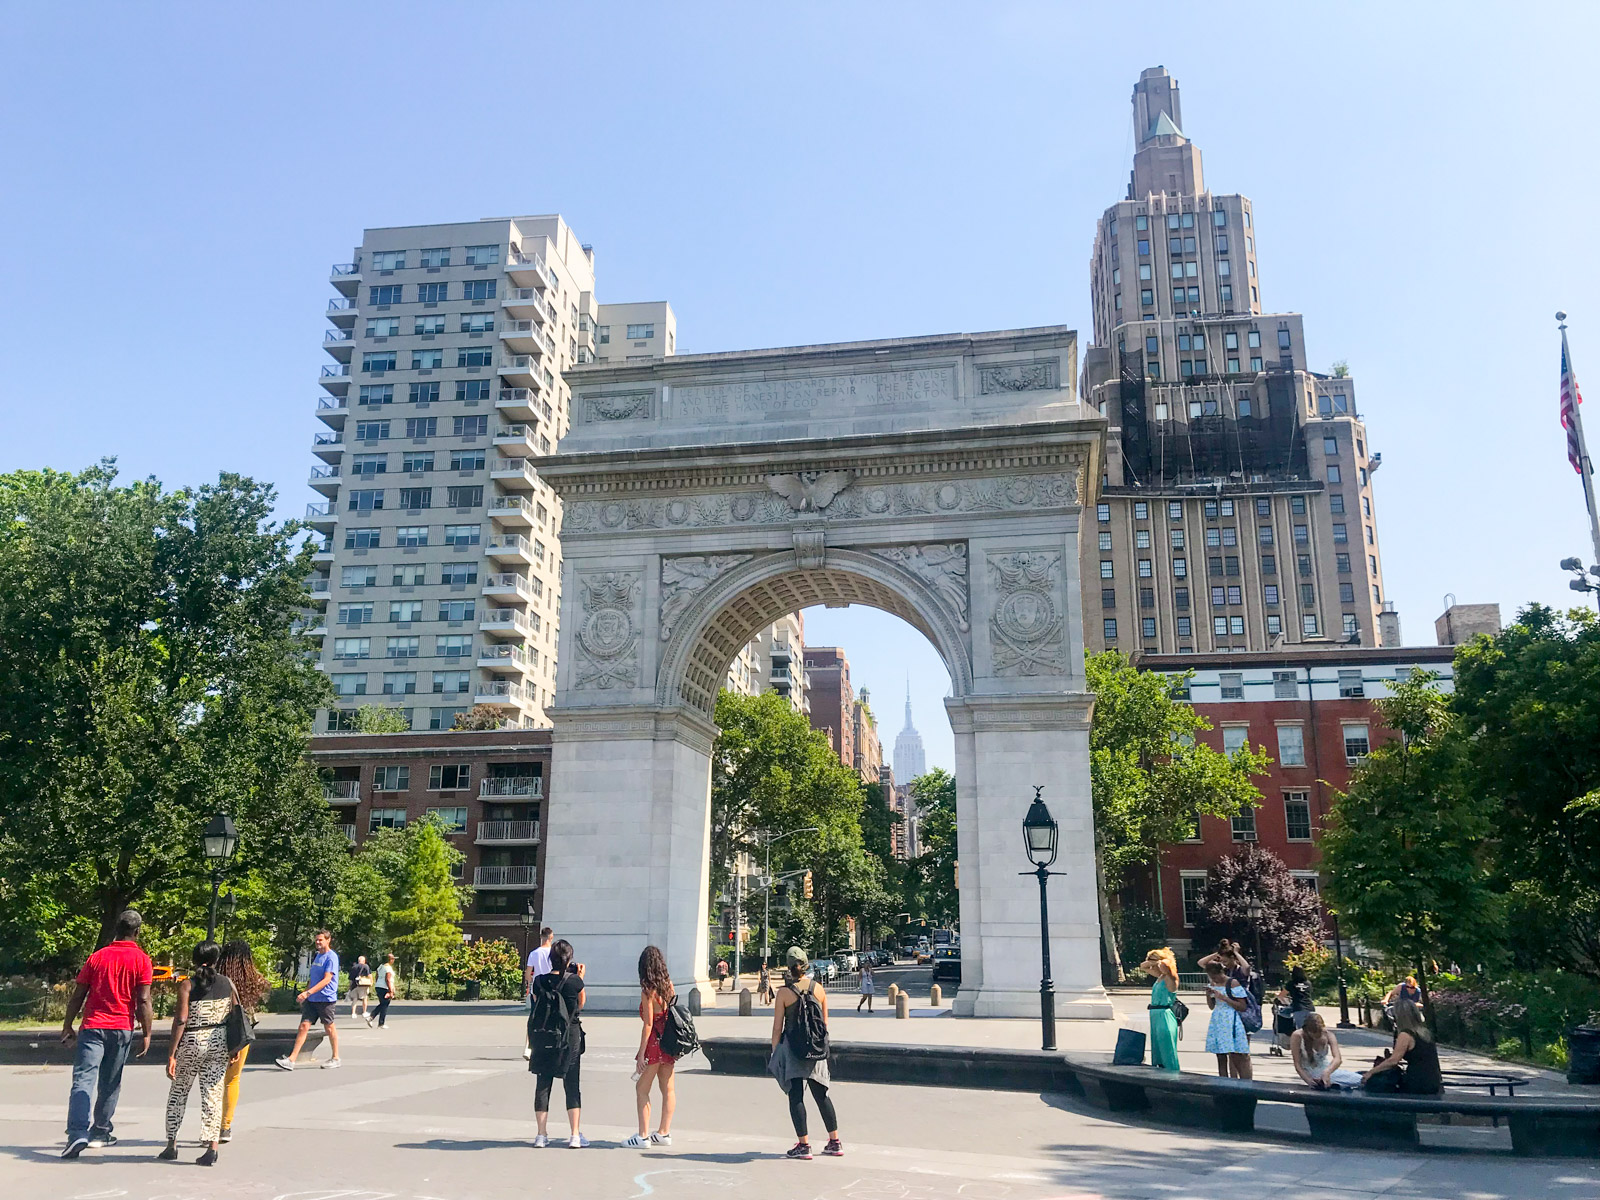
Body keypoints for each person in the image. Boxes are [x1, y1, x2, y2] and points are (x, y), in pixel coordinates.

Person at [60, 909, 154, 1158]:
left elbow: (78, 995)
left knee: (83, 1080)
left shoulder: (97, 957)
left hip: (93, 1026)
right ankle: (100, 1132)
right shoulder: (142, 960)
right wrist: (146, 1032)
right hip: (121, 1027)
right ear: (137, 931)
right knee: (110, 1082)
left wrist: (67, 1024)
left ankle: (77, 1133)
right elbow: (143, 1000)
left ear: (116, 928)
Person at [158, 941, 237, 1166]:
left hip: (192, 1040)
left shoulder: (187, 985)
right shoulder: (227, 983)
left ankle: (171, 1145)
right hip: (218, 1041)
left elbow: (181, 1019)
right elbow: (234, 1014)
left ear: (194, 960)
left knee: (179, 1091)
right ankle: (211, 1147)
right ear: (217, 959)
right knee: (213, 1093)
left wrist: (172, 1053)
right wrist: (234, 1046)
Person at [769, 947, 843, 1159]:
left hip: (793, 1049)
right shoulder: (818, 989)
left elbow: (777, 1027)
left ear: (789, 967)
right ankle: (834, 1141)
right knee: (821, 1095)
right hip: (817, 1049)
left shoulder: (784, 993)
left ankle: (804, 1145)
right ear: (806, 964)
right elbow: (825, 1023)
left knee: (796, 1096)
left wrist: (775, 1050)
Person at [528, 938, 586, 1148]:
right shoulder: (574, 982)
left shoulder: (540, 981)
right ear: (569, 959)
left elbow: (535, 1001)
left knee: (543, 1083)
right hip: (569, 1035)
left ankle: (541, 1135)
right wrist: (579, 977)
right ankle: (575, 1135)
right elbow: (581, 1003)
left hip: (545, 1036)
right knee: (572, 1084)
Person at [625, 945, 678, 1149]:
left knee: (641, 1089)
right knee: (668, 1089)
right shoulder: (669, 986)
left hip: (655, 1042)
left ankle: (643, 1135)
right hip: (669, 1042)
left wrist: (640, 1054)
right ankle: (664, 1132)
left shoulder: (648, 991)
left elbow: (648, 1024)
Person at [217, 940, 267, 1144]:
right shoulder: (253, 979)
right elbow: (264, 994)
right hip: (240, 1034)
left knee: (213, 1081)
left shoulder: (217, 979)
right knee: (232, 1079)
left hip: (214, 1032)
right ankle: (225, 1127)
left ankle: (209, 1124)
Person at [275, 930, 341, 1069]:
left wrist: (308, 992)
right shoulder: (317, 956)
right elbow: (313, 978)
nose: (317, 942)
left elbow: (327, 979)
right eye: (316, 940)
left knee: (329, 1027)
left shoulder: (331, 957)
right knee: (304, 1026)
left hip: (326, 998)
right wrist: (305, 992)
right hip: (312, 998)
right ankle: (291, 1060)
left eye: (320, 940)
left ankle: (335, 1057)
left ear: (328, 940)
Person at [1363, 996, 1441, 1095]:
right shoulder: (1424, 1032)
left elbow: (1394, 1060)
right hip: (1432, 1080)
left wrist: (1371, 1072)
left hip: (1417, 1081)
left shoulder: (1406, 1035)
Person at [1202, 959, 1252, 1079]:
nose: (1214, 979)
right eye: (1211, 977)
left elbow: (1242, 1006)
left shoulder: (1232, 983)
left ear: (1221, 972)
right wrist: (1209, 995)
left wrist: (1224, 998)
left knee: (1236, 1055)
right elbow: (1211, 1006)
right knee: (1220, 1055)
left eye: (1215, 976)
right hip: (1218, 1019)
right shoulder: (1213, 984)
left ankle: (1244, 1083)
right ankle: (1223, 1081)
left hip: (1231, 1019)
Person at [1291, 1014, 1361, 1090]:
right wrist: (1308, 1080)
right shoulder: (1297, 1035)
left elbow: (1338, 1059)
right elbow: (1297, 1064)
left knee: (1359, 1079)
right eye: (1312, 1035)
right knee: (1356, 1081)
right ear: (1307, 1030)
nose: (1315, 1037)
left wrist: (1327, 1072)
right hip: (1310, 1071)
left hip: (1326, 1069)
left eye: (1318, 1034)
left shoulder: (1328, 1035)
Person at [1140, 948, 1181, 1072]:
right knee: (1157, 1049)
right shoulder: (1160, 977)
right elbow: (1143, 966)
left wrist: (1161, 960)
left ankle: (1173, 1073)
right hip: (1155, 1014)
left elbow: (1166, 966)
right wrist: (1152, 962)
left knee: (1167, 1048)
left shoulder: (1170, 976)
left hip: (1165, 1013)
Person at [523, 927, 554, 1060]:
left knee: (534, 1017)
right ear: (551, 937)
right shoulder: (554, 953)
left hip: (537, 987)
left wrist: (530, 984)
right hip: (551, 987)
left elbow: (527, 973)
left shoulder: (534, 953)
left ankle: (528, 1047)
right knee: (552, 1017)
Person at [372, 952, 397, 1029]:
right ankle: (380, 1023)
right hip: (385, 987)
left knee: (383, 1004)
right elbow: (388, 979)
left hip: (379, 986)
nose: (393, 960)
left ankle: (372, 1017)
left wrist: (378, 983)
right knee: (385, 1004)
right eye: (393, 959)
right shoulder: (388, 968)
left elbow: (376, 976)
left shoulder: (380, 967)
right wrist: (391, 991)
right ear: (390, 960)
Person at [1287, 965, 1316, 1030]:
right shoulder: (1308, 983)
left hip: (1299, 1008)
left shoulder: (1291, 983)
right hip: (1310, 1007)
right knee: (1311, 1029)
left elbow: (1282, 995)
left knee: (1301, 1030)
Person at [348, 955, 372, 1021]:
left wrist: (350, 987)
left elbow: (350, 978)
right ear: (364, 961)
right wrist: (371, 982)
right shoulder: (366, 966)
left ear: (358, 961)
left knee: (354, 999)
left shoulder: (354, 967)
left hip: (354, 985)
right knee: (364, 998)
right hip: (363, 985)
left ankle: (353, 1013)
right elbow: (369, 975)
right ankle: (364, 1012)